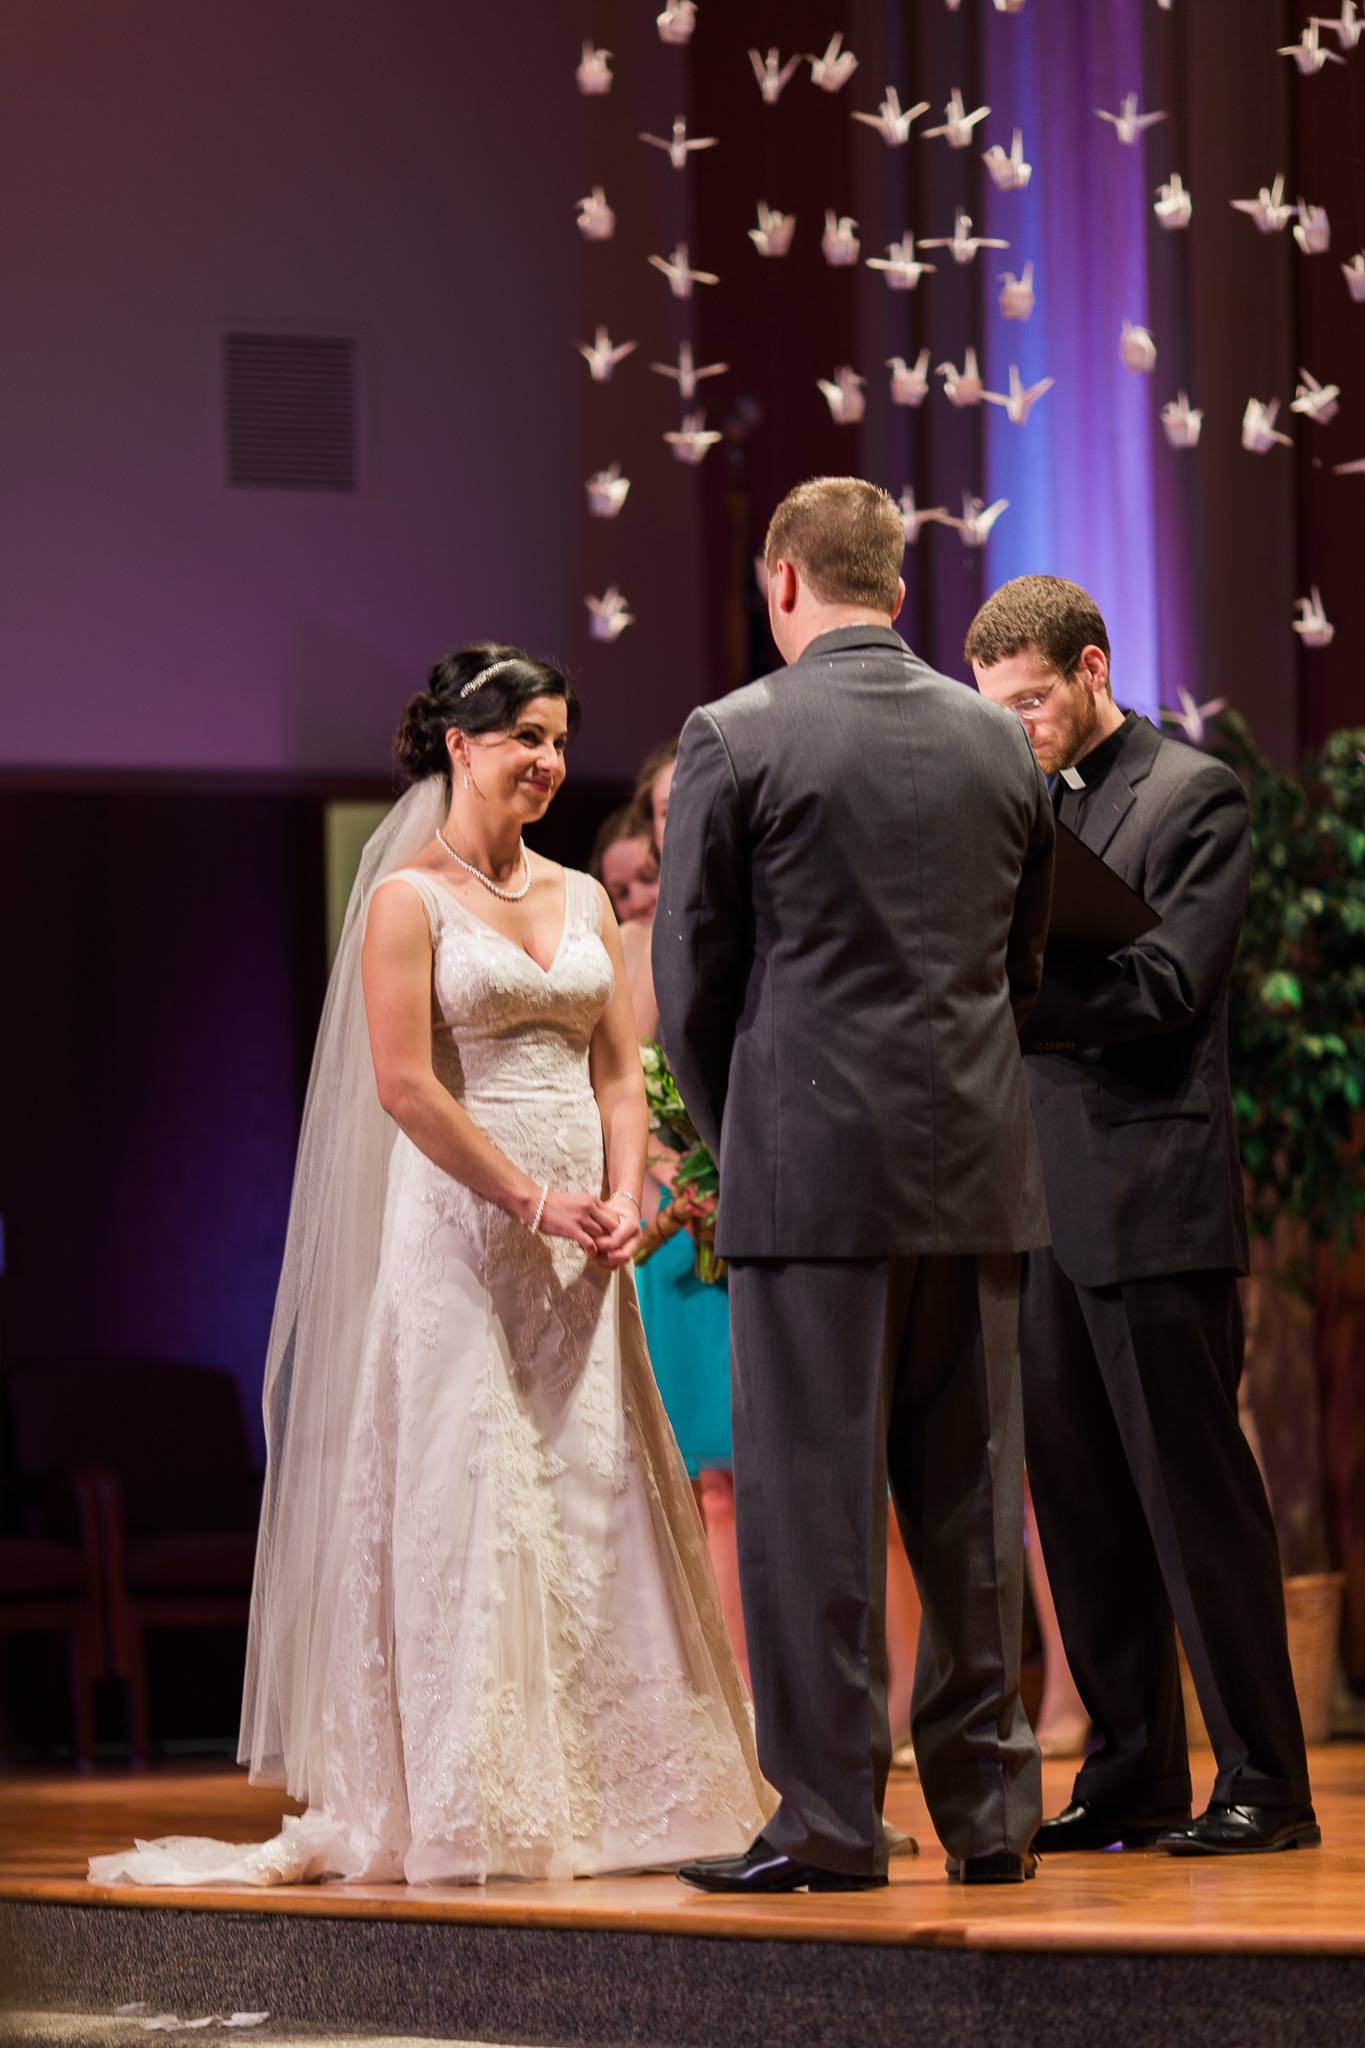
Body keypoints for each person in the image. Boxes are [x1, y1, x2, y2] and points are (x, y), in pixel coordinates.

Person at [90, 644, 771, 1889]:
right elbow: (405, 1084)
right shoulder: (409, 899)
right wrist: (531, 1198)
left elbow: (621, 1069)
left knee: (596, 1482)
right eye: (526, 737)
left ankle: (623, 1788)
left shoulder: (580, 897)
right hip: (464, 1230)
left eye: (562, 737)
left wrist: (621, 1196)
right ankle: (477, 1797)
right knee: (478, 1489)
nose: (551, 761)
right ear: (461, 744)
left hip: (584, 1239)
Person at [654, 477, 1056, 1891]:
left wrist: (743, 1138)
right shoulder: (1000, 742)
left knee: (812, 1508)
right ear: (898, 585)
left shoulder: (735, 734)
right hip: (976, 1170)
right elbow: (1023, 966)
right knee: (974, 1503)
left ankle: (830, 1818)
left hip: (809, 1182)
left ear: (781, 585)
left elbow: (692, 982)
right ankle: (994, 1819)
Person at [968, 574, 1317, 1856]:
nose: (1019, 729)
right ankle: (1130, 1770)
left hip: (1155, 1197)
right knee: (1079, 1503)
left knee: (1193, 1501)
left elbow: (1170, 979)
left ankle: (1268, 1779)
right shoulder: (1022, 808)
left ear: (1094, 669)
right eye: (997, 711)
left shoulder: (1193, 793)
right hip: (1041, 1200)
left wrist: (1007, 995)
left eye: (1033, 702)